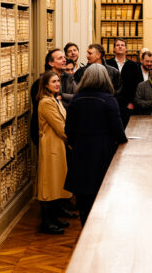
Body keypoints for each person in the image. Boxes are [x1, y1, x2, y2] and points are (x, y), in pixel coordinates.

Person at [64, 64, 128, 224]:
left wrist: (76, 143)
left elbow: (69, 129)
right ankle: (101, 226)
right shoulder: (108, 100)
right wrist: (122, 142)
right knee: (103, 192)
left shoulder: (76, 99)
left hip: (80, 152)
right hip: (103, 152)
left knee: (84, 196)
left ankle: (85, 227)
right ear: (105, 79)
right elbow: (118, 130)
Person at [33, 71, 72, 234]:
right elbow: (59, 125)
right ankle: (46, 222)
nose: (58, 84)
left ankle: (53, 218)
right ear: (46, 85)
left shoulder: (54, 100)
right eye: (54, 81)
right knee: (48, 183)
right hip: (51, 146)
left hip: (58, 145)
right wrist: (73, 138)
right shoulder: (46, 102)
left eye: (58, 81)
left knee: (56, 181)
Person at [119, 50, 152, 126]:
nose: (149, 64)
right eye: (147, 61)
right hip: (134, 106)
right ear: (141, 60)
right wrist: (129, 102)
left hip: (148, 107)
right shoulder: (133, 69)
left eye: (151, 62)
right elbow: (126, 87)